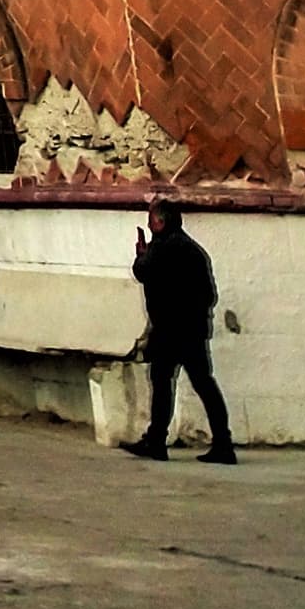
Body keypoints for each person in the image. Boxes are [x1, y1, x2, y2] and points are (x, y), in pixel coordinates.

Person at [127, 195, 238, 463]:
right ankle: (223, 443)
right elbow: (210, 295)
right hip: (194, 330)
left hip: (169, 330)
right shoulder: (195, 250)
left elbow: (143, 272)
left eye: (152, 221)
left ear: (160, 222)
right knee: (204, 384)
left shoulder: (162, 247)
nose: (151, 225)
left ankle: (156, 441)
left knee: (163, 384)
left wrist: (141, 254)